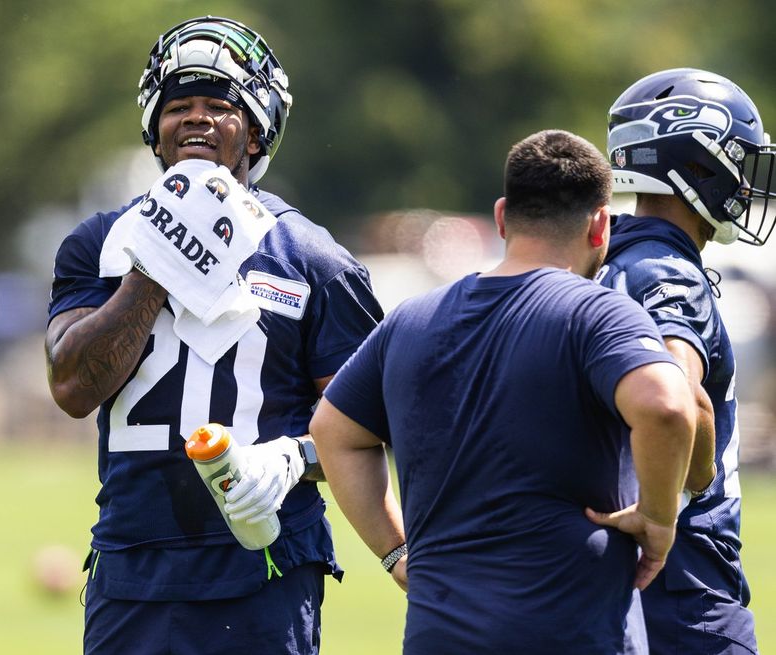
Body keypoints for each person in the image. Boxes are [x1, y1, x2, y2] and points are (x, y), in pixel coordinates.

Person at [44, 16, 383, 655]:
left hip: (263, 568)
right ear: (155, 127)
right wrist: (161, 260)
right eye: (180, 106)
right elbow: (71, 386)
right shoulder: (100, 245)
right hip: (133, 563)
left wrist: (289, 460)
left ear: (255, 131)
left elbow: (372, 423)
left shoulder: (313, 260)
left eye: (219, 105)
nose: (196, 119)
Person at [310, 129, 697, 654]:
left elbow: (332, 430)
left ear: (500, 217)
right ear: (600, 225)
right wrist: (658, 518)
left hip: (439, 636)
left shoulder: (410, 321)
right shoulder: (598, 312)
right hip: (573, 634)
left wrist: (394, 553)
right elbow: (667, 407)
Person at [601, 67, 772, 654]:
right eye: (739, 161)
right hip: (683, 583)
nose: (748, 184)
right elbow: (684, 401)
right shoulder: (667, 270)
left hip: (625, 587)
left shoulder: (610, 259)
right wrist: (673, 501)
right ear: (699, 161)